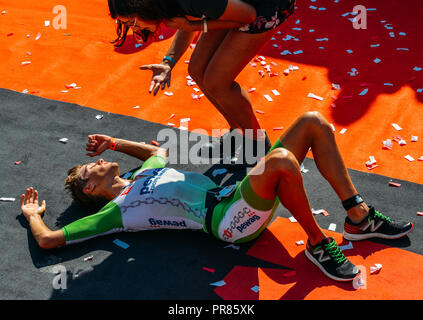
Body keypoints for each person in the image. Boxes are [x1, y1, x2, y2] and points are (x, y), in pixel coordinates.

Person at [20, 111, 413, 282]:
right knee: (278, 160)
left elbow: (156, 151)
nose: (95, 162)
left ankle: (357, 217)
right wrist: (34, 214)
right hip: (228, 221)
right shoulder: (118, 212)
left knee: (312, 123)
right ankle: (318, 243)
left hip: (240, 197)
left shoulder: (146, 175)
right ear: (91, 189)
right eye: (89, 169)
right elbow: (49, 240)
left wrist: (114, 142)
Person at [107, 0, 297, 163]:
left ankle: (257, 143)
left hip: (263, 6)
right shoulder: (167, 3)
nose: (133, 28)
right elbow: (185, 17)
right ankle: (239, 132)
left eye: (132, 21)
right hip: (229, 4)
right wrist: (168, 62)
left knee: (217, 81)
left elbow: (247, 16)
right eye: (125, 23)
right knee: (197, 69)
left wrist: (198, 26)